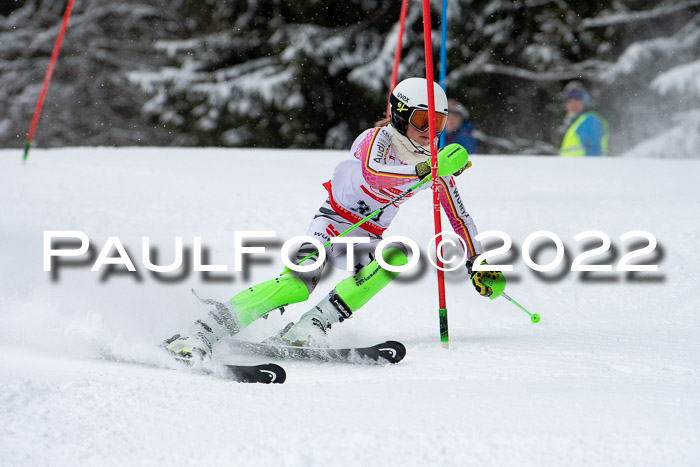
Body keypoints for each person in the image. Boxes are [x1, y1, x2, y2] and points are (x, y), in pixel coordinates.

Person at [164, 77, 504, 359]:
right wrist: (425, 169)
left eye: (439, 123)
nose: (430, 131)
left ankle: (310, 326)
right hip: (332, 222)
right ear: (399, 114)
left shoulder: (434, 163)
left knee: (395, 258)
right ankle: (203, 329)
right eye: (421, 120)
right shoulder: (377, 140)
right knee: (297, 285)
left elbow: (459, 216)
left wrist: (479, 261)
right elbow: (374, 172)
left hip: (367, 235)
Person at [559, 82, 609, 156]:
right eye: (569, 101)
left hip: (583, 167)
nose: (572, 104)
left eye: (576, 100)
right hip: (573, 167)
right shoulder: (577, 123)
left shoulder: (590, 120)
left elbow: (595, 152)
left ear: (585, 102)